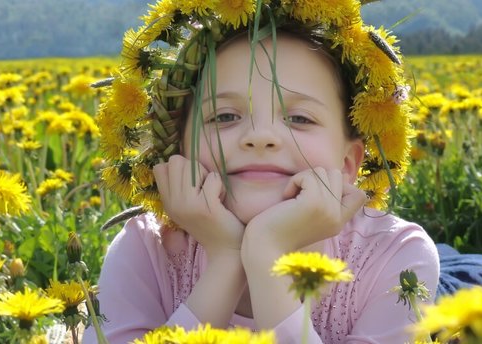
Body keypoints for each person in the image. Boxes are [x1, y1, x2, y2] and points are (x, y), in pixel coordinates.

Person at [85, 1, 439, 343]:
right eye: (224, 116)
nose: (260, 137)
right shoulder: (146, 247)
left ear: (349, 163)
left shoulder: (397, 257)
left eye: (300, 118)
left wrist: (266, 253)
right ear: (179, 149)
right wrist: (227, 259)